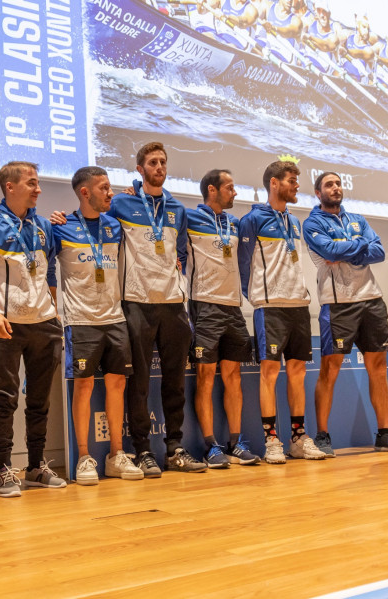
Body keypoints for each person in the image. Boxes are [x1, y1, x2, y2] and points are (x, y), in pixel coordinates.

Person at [51, 143, 206, 474]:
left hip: (173, 306)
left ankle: (175, 447)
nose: (159, 167)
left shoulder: (177, 209)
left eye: (163, 161)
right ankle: (143, 450)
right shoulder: (120, 202)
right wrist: (61, 216)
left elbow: (179, 253)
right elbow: (88, 216)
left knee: (175, 381)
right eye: (152, 162)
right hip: (135, 305)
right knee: (137, 383)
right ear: (140, 169)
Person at [0, 162, 67, 498]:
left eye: (38, 183)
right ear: (10, 187)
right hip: (7, 325)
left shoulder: (43, 226)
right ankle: (3, 469)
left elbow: (49, 272)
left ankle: (37, 465)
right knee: (6, 399)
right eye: (32, 184)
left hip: (45, 325)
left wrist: (54, 313)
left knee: (39, 400)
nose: (38, 189)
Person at [303, 172, 388, 455]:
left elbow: (377, 252)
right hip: (338, 303)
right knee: (330, 370)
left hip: (372, 299)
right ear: (318, 192)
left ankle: (385, 434)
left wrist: (346, 251)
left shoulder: (358, 219)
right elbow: (327, 249)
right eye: (329, 184)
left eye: (338, 183)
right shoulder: (313, 222)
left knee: (378, 368)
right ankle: (323, 436)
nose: (336, 188)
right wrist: (358, 246)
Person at [51, 166, 143, 484]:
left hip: (115, 318)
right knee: (85, 386)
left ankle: (116, 455)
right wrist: (53, 308)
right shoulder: (61, 227)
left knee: (117, 384)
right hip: (81, 320)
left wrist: (133, 194)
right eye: (104, 188)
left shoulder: (114, 226)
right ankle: (84, 456)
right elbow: (47, 271)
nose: (110, 193)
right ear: (85, 192)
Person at [238, 161, 325, 463]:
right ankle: (271, 439)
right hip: (270, 306)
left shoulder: (295, 221)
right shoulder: (252, 219)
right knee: (270, 372)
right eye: (291, 180)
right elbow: (243, 264)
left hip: (298, 305)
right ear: (274, 183)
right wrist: (256, 297)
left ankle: (298, 438)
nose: (296, 185)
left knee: (298, 373)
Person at [186, 169, 260, 468]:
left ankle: (235, 442)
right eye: (230, 187)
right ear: (212, 190)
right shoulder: (188, 218)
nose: (235, 193)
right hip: (204, 306)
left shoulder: (234, 222)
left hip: (233, 307)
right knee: (205, 377)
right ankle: (209, 445)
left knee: (233, 377)